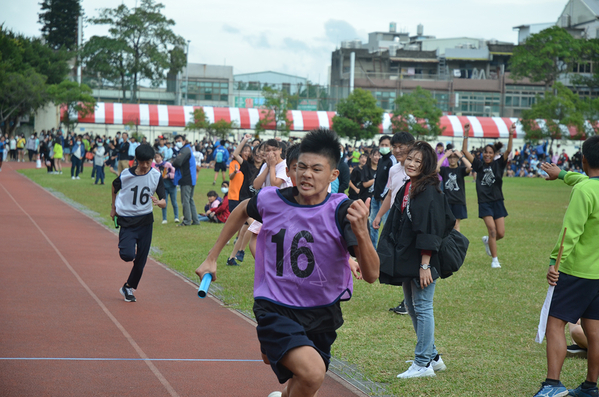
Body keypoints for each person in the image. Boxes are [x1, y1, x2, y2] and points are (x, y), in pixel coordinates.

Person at [195, 128, 379, 397]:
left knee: (304, 382)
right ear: (292, 170)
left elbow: (373, 274)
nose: (307, 174)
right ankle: (273, 345)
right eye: (301, 167)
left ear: (333, 175)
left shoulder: (341, 211)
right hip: (275, 305)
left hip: (322, 311)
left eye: (317, 169)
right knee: (313, 373)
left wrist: (362, 233)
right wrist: (212, 258)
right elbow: (242, 210)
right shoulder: (271, 199)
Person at [378, 141, 455, 379]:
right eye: (410, 158)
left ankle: (422, 364)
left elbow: (429, 229)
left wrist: (425, 264)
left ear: (427, 164)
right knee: (412, 307)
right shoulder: (410, 185)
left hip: (423, 260)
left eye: (417, 161)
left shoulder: (428, 190)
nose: (411, 163)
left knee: (422, 307)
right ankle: (433, 357)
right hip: (408, 257)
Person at [533, 138, 599, 396]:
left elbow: (570, 233)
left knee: (554, 324)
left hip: (576, 271)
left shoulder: (584, 191)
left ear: (583, 160)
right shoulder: (585, 184)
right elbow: (580, 179)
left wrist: (554, 263)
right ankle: (590, 387)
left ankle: (552, 385)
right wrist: (560, 174)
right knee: (594, 331)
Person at [110, 144, 166, 303]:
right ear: (136, 160)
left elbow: (163, 200)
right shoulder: (126, 174)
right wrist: (113, 207)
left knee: (141, 261)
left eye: (148, 162)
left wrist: (160, 202)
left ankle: (128, 287)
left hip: (146, 221)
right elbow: (114, 186)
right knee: (127, 255)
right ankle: (128, 243)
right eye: (142, 162)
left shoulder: (156, 176)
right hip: (127, 220)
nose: (145, 165)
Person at [373, 131, 416, 315]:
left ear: (411, 146)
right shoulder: (394, 169)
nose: (397, 150)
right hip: (397, 220)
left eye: (401, 146)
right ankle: (408, 300)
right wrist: (378, 216)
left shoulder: (417, 168)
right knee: (401, 260)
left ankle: (410, 301)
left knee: (411, 260)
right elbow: (390, 194)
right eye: (395, 146)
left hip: (414, 220)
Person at [462, 122, 515, 269]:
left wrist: (511, 133)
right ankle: (495, 260)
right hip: (484, 202)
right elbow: (465, 151)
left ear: (494, 154)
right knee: (492, 230)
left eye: (490, 152)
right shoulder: (479, 165)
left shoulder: (499, 164)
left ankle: (487, 241)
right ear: (482, 154)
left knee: (501, 233)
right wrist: (466, 133)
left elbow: (509, 149)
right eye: (485, 152)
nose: (487, 154)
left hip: (498, 201)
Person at [437, 148, 472, 232]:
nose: (452, 159)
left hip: (458, 200)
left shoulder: (461, 170)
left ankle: (456, 244)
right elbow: (435, 168)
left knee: (456, 224)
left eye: (454, 157)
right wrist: (445, 155)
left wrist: (461, 156)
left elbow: (470, 167)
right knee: (446, 224)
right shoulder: (445, 170)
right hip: (447, 201)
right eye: (450, 157)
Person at [369, 135, 395, 248]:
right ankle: (372, 250)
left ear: (391, 147)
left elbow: (392, 181)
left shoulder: (392, 160)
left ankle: (384, 252)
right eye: (382, 145)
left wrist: (384, 195)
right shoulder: (380, 159)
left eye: (386, 145)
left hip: (385, 199)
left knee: (385, 228)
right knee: (372, 225)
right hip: (375, 197)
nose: (384, 147)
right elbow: (377, 178)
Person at [172, 135, 200, 227]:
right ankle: (195, 220)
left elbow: (177, 162)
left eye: (179, 140)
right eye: (176, 141)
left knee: (185, 200)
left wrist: (173, 161)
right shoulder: (188, 149)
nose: (178, 142)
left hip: (186, 178)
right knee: (190, 200)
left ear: (184, 141)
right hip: (190, 178)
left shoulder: (185, 150)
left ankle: (187, 221)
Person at [153, 152, 179, 224]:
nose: (157, 159)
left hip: (171, 185)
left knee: (174, 202)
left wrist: (168, 175)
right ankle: (164, 218)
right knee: (164, 202)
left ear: (161, 157)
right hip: (163, 187)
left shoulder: (167, 164)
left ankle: (176, 217)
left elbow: (174, 173)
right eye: (155, 158)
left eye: (158, 157)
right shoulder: (155, 167)